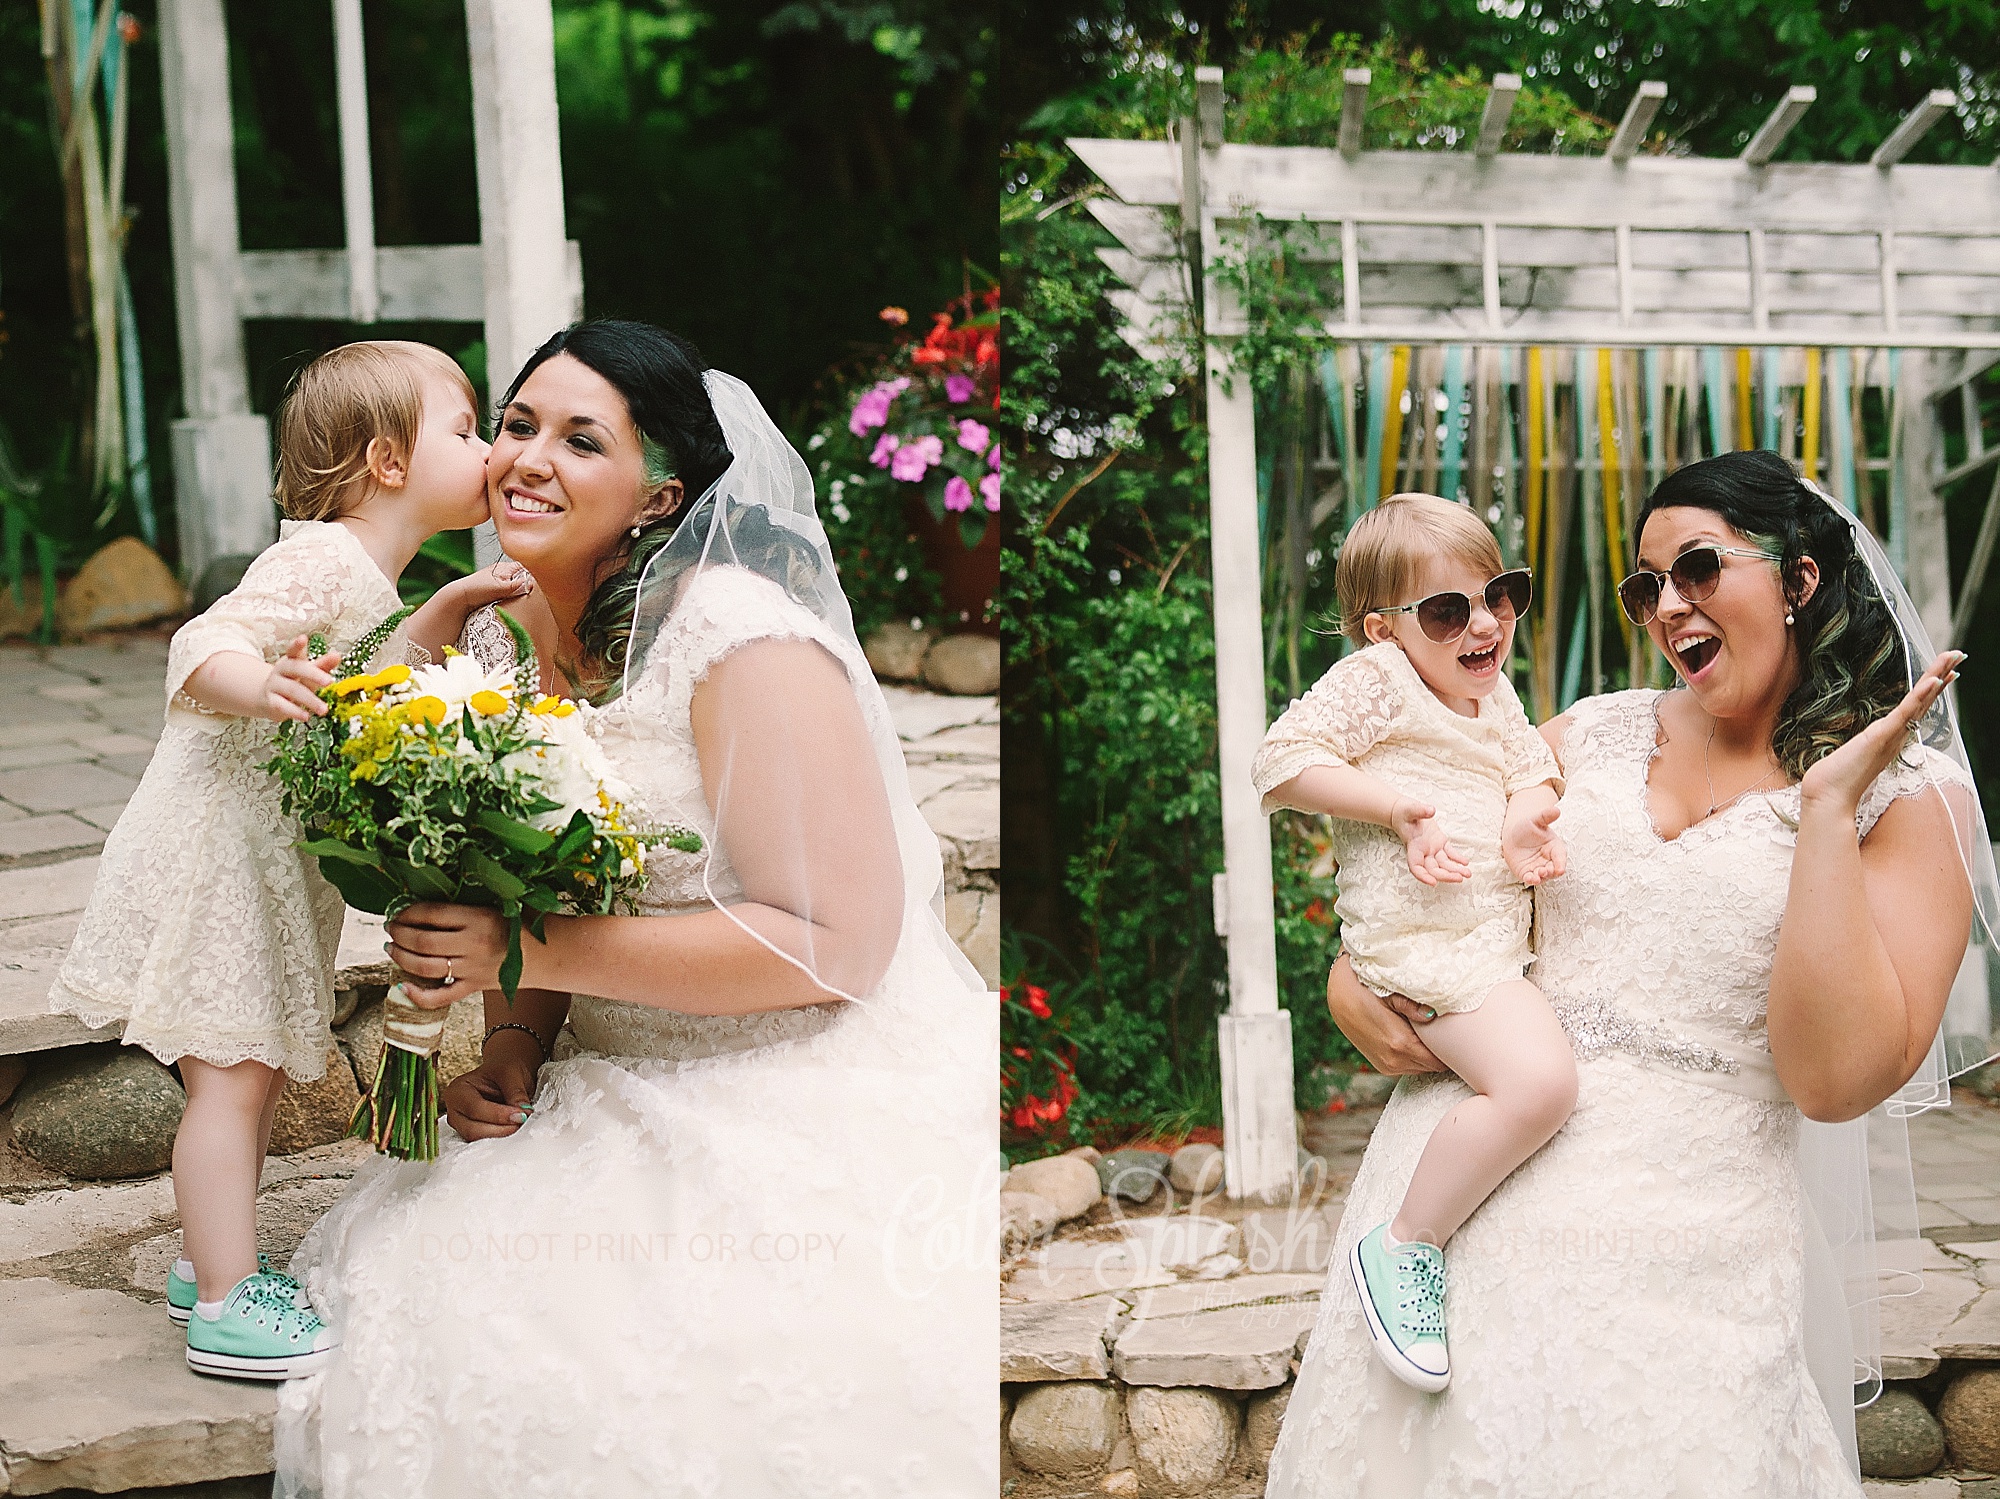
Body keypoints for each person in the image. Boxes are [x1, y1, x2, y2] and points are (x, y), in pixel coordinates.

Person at [272, 321, 995, 1497]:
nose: (525, 458)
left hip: (792, 1076)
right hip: (607, 1070)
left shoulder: (738, 640)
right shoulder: (498, 641)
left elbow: (836, 944)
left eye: (579, 438)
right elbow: (542, 875)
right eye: (513, 425)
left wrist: (518, 945)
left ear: (660, 491)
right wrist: (512, 1043)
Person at [1268, 450, 1986, 1497]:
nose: (1665, 604)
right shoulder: (1585, 732)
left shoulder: (1913, 800)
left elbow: (1833, 1082)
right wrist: (1347, 978)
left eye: (1696, 567)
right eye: (1645, 585)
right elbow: (1434, 886)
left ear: (1796, 579)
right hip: (1458, 1201)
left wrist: (1822, 816)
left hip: (1690, 1240)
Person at [48, 341, 531, 1379]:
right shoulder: (318, 556)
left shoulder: (369, 572)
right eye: (465, 429)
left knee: (250, 1078)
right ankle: (224, 1301)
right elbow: (201, 640)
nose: (489, 448)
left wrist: (450, 609)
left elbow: (370, 672)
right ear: (388, 461)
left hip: (261, 863)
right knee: (230, 1081)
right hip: (219, 858)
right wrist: (253, 682)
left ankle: (201, 1263)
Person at [1252, 493, 1574, 1393]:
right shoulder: (1378, 680)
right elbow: (1282, 760)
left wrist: (1519, 824)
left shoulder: (1492, 690)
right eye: (1447, 610)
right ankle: (1406, 1244)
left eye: (1498, 595)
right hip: (1425, 947)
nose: (1483, 624)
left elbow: (1531, 767)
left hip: (1483, 935)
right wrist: (1392, 807)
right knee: (1541, 1082)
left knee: (1542, 1075)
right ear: (1383, 629)